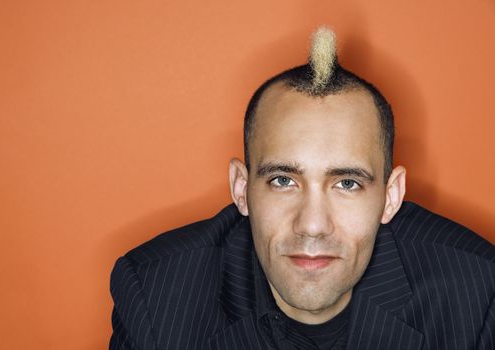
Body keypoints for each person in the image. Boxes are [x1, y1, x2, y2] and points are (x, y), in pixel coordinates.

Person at [109, 28, 495, 350]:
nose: (312, 225)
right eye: (283, 181)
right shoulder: (154, 294)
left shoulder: (475, 290)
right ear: (241, 189)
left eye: (347, 183)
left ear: (391, 197)